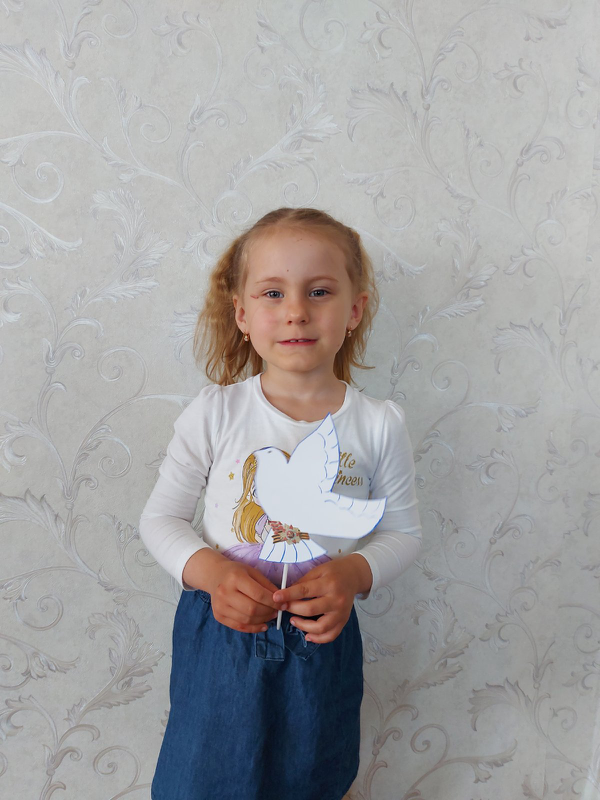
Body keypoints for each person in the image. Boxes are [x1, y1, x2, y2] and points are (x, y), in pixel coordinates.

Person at [139, 207, 423, 800]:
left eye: (319, 291)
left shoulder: (379, 424)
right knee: (201, 780)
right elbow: (161, 519)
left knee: (311, 779)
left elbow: (403, 532)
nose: (296, 310)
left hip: (321, 639)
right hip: (220, 637)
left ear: (354, 311)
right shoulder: (215, 413)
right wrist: (212, 573)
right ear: (242, 314)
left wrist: (354, 573)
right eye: (273, 292)